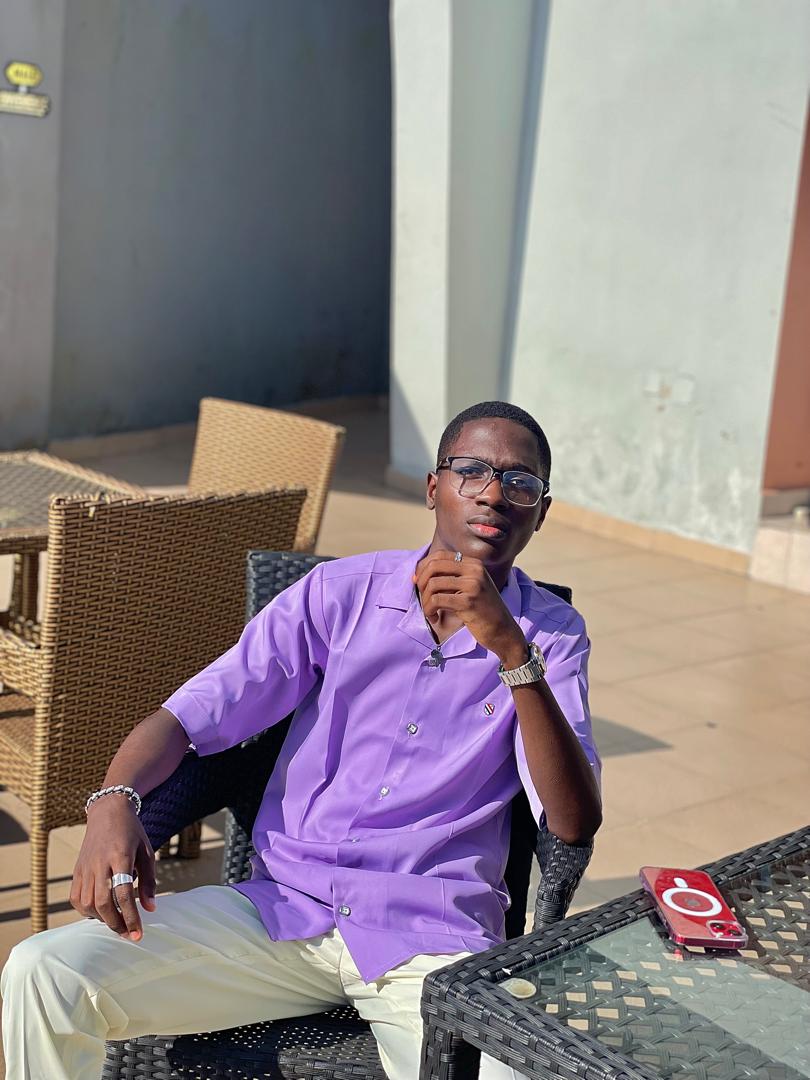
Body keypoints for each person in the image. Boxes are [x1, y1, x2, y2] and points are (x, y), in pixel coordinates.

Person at [2, 401, 602, 1080]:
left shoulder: (553, 636)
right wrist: (114, 800)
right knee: (43, 972)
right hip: (283, 911)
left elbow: (572, 822)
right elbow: (192, 714)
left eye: (520, 482)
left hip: (432, 941)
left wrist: (513, 654)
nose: (493, 493)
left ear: (540, 513)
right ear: (433, 488)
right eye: (472, 471)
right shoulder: (338, 595)